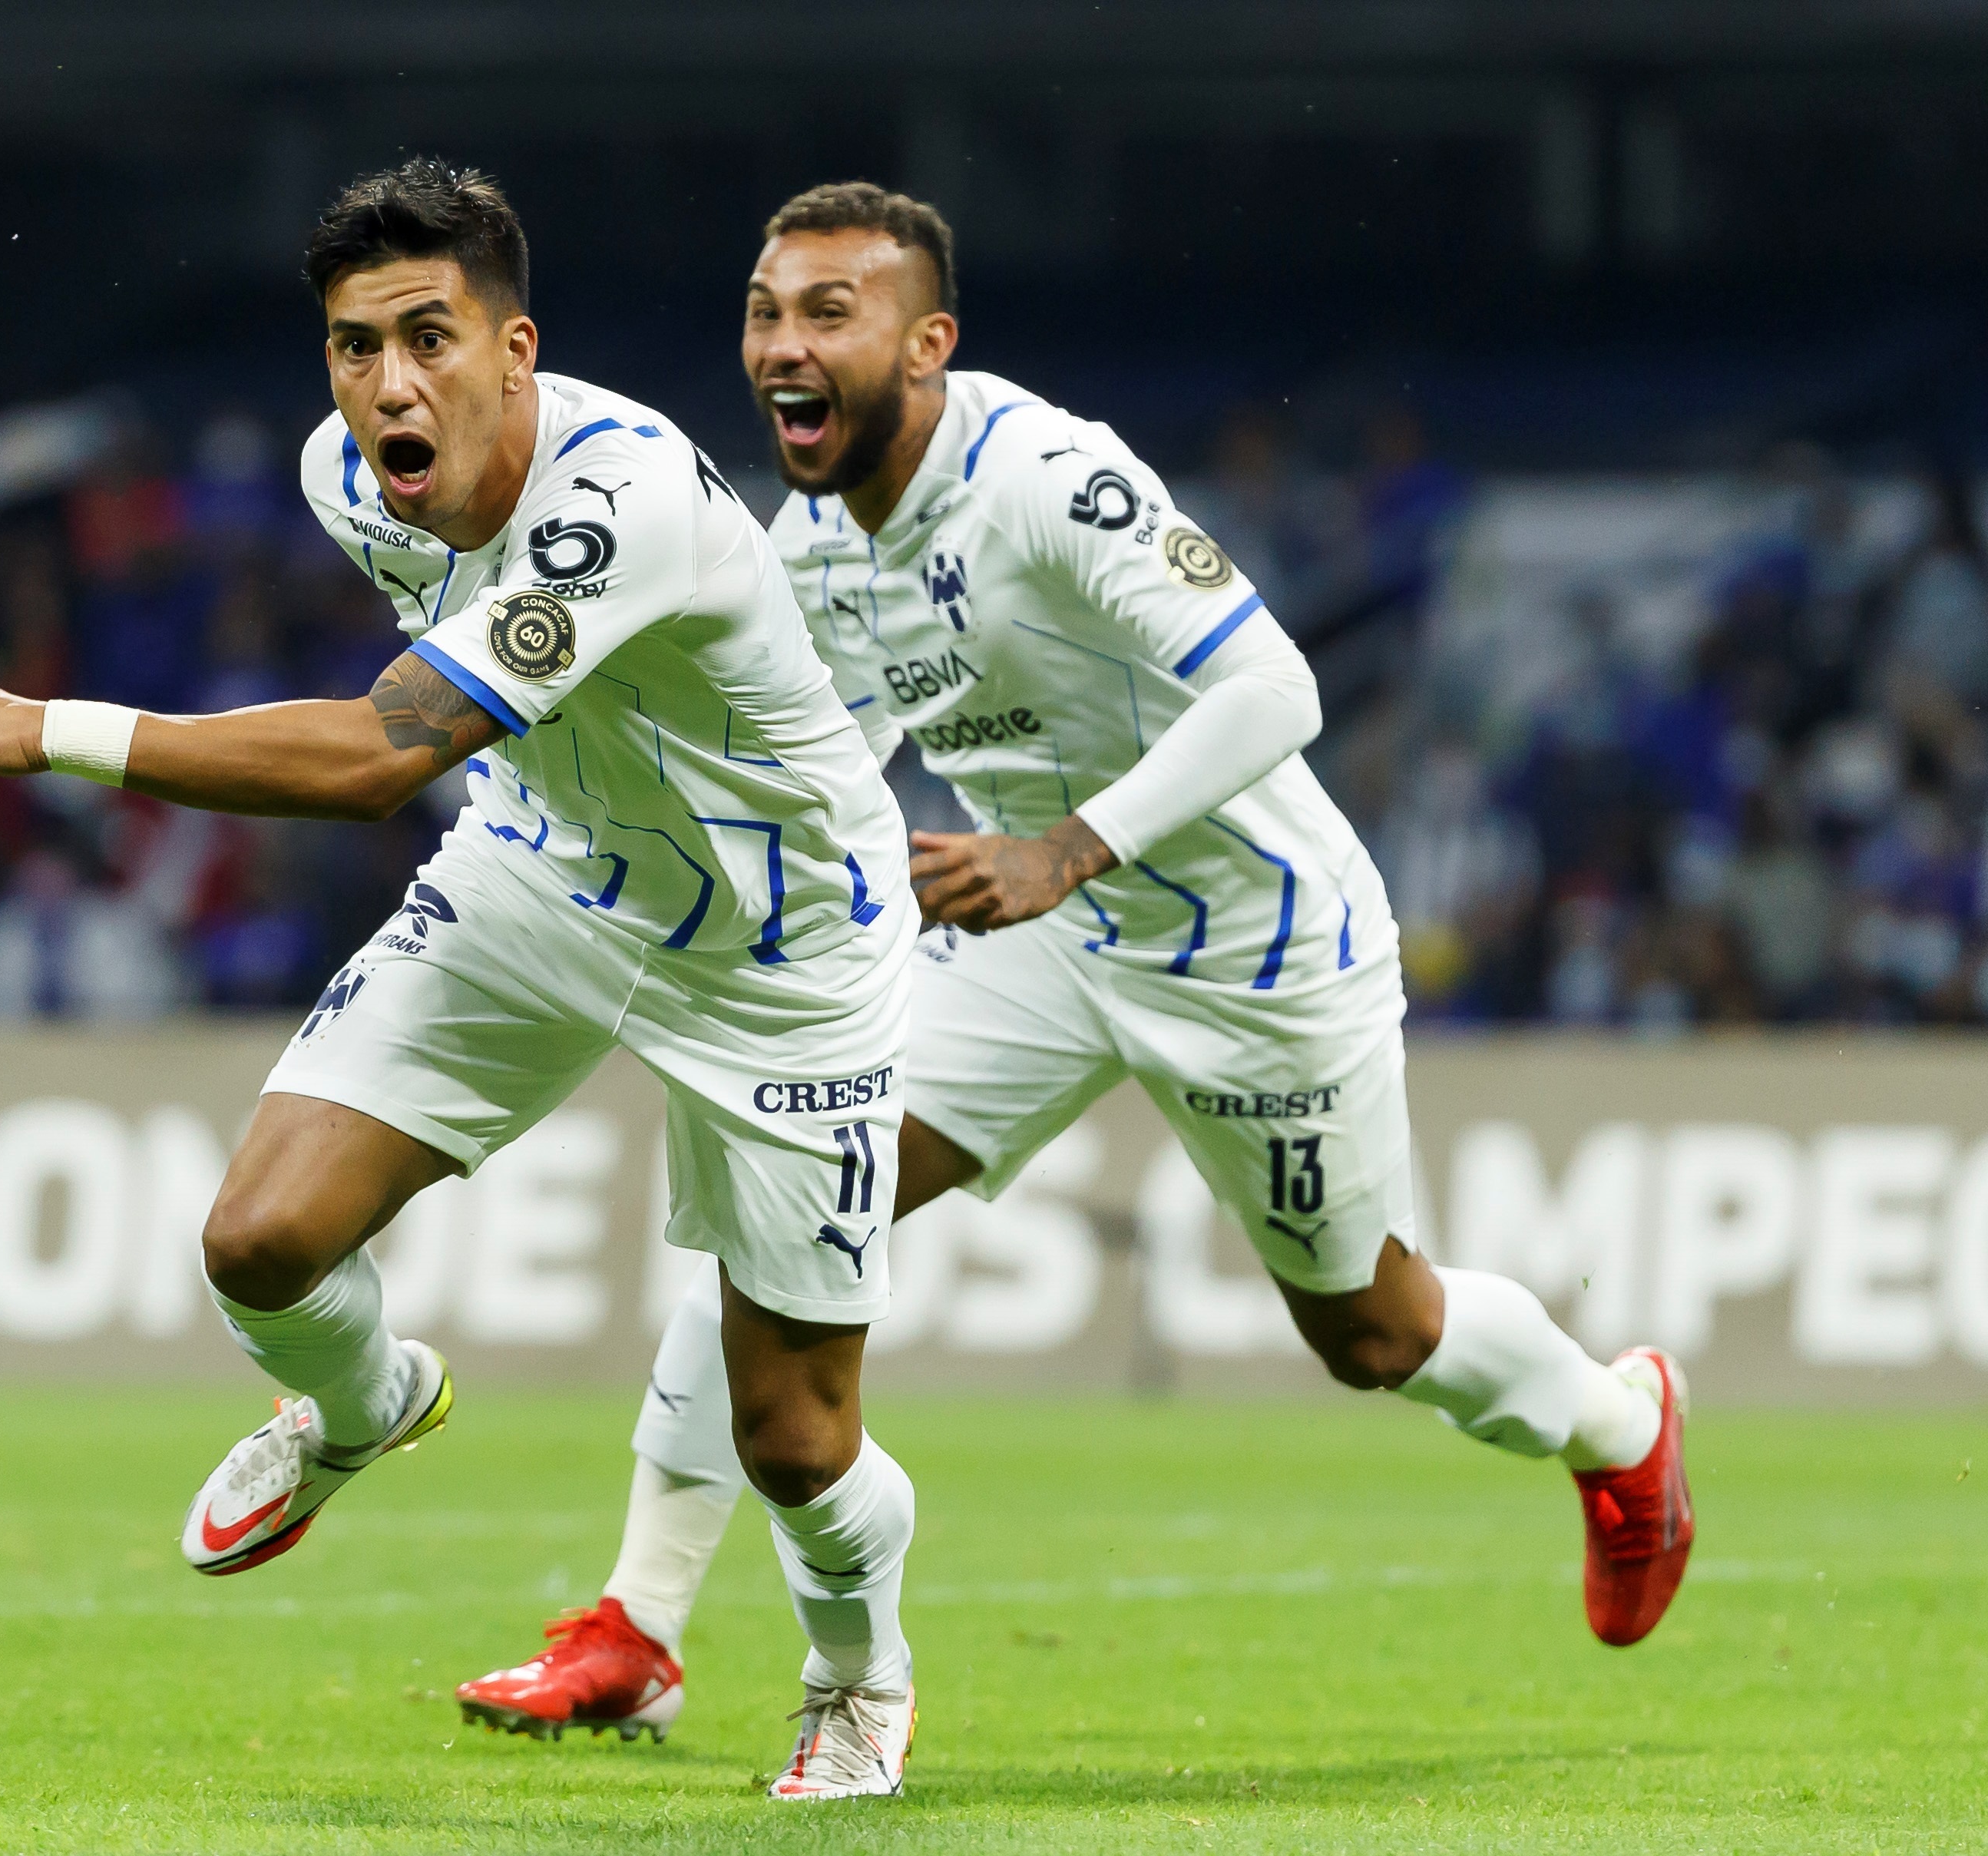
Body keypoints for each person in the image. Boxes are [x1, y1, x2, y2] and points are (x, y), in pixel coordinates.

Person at [452, 182, 1696, 1746]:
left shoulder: (1045, 477)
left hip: (1256, 948)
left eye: (830, 311)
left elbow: (1272, 689)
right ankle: (632, 1630)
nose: (784, 341)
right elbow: (800, 760)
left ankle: (1620, 1422)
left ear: (927, 343)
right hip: (1043, 943)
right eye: (768, 309)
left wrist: (1063, 848)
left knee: (1371, 1332)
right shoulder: (813, 549)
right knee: (790, 1200)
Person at [0, 160, 923, 1801]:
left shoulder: (616, 500)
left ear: (517, 349)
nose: (390, 386)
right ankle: (360, 1407)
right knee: (261, 1243)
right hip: (547, 874)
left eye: (430, 338)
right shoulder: (345, 480)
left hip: (778, 950)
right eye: (357, 348)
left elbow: (377, 754)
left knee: (792, 1436)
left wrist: (47, 729)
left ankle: (857, 1681)